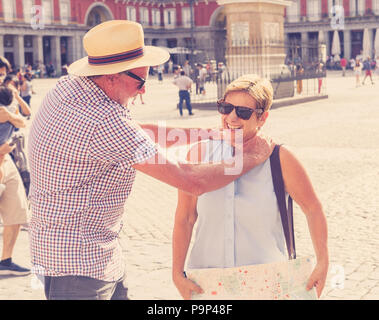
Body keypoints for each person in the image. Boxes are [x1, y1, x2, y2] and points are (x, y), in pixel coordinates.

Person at [27, 20, 274, 300]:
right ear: (110, 76)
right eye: (140, 81)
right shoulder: (104, 120)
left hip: (90, 253)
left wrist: (210, 132)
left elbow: (138, 132)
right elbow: (191, 179)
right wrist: (253, 156)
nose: (144, 90)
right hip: (78, 265)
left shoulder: (71, 88)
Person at [172, 74, 329, 300]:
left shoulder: (281, 159)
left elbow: (313, 208)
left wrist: (323, 261)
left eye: (243, 112)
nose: (231, 117)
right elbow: (185, 217)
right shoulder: (199, 153)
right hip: (207, 284)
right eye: (226, 108)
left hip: (267, 285)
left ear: (262, 118)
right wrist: (177, 273)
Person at [0, 56, 30, 276]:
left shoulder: (6, 96)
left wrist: (10, 115)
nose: (2, 77)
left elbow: (23, 121)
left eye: (3, 72)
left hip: (6, 159)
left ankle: (6, 259)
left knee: (17, 207)